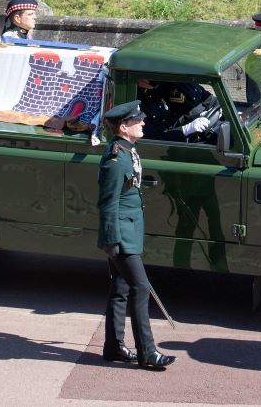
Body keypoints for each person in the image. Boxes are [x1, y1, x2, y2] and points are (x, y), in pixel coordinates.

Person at [97, 100, 176, 370]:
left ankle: (113, 346)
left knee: (120, 288)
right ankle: (148, 352)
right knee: (140, 288)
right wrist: (112, 241)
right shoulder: (116, 160)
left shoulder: (128, 151)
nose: (142, 122)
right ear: (123, 127)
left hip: (129, 231)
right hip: (121, 236)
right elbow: (108, 203)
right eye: (136, 121)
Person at [136, 79, 215, 142]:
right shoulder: (137, 102)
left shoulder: (154, 90)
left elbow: (172, 118)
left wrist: (194, 118)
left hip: (176, 134)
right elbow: (153, 137)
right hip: (168, 143)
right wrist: (185, 130)